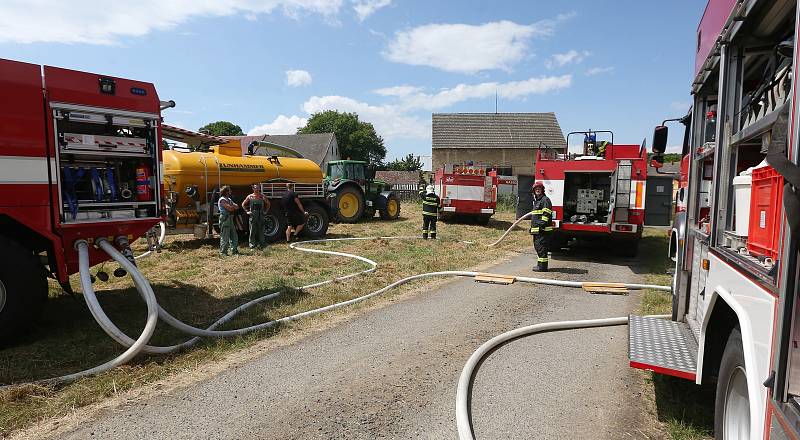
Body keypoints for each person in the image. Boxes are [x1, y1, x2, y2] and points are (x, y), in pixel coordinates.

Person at [530, 181, 554, 271]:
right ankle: (540, 265)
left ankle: (542, 267)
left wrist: (541, 225)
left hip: (543, 231)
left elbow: (546, 215)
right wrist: (532, 228)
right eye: (536, 189)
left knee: (542, 249)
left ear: (542, 190)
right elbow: (536, 217)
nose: (537, 190)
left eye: (539, 188)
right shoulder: (537, 201)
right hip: (537, 230)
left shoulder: (545, 200)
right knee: (538, 248)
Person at [242, 183, 270, 249]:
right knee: (252, 230)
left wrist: (266, 211)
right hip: (253, 215)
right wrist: (247, 211)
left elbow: (268, 204)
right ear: (253, 188)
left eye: (258, 188)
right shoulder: (250, 196)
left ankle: (262, 244)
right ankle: (252, 245)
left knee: (261, 230)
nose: (257, 189)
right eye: (255, 188)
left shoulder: (262, 196)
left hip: (261, 215)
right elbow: (243, 204)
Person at [217, 185, 239, 256]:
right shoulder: (222, 199)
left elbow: (237, 206)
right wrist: (232, 206)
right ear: (226, 191)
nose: (231, 191)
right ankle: (223, 252)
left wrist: (231, 206)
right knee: (225, 236)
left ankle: (234, 250)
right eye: (229, 190)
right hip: (225, 218)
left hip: (230, 218)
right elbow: (231, 208)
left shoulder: (228, 199)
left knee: (234, 235)